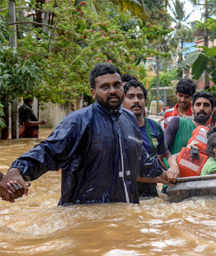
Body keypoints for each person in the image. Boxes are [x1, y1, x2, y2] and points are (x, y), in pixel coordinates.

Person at [0, 63, 172, 205]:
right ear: (93, 92)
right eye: (105, 87)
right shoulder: (79, 121)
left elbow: (139, 159)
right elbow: (47, 151)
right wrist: (17, 171)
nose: (112, 90)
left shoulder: (129, 119)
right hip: (85, 216)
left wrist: (166, 174)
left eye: (116, 85)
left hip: (125, 214)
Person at [122, 79, 178, 197]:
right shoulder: (117, 129)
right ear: (122, 101)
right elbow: (124, 171)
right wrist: (159, 178)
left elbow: (165, 153)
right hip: (126, 194)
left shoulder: (154, 127)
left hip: (151, 194)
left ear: (145, 101)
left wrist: (173, 167)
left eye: (140, 97)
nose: (136, 100)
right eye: (131, 96)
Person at [165, 91, 215, 155]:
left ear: (213, 110)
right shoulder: (177, 123)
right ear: (192, 108)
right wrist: (172, 163)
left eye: (206, 105)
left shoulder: (214, 133)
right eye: (198, 104)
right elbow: (163, 153)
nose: (201, 108)